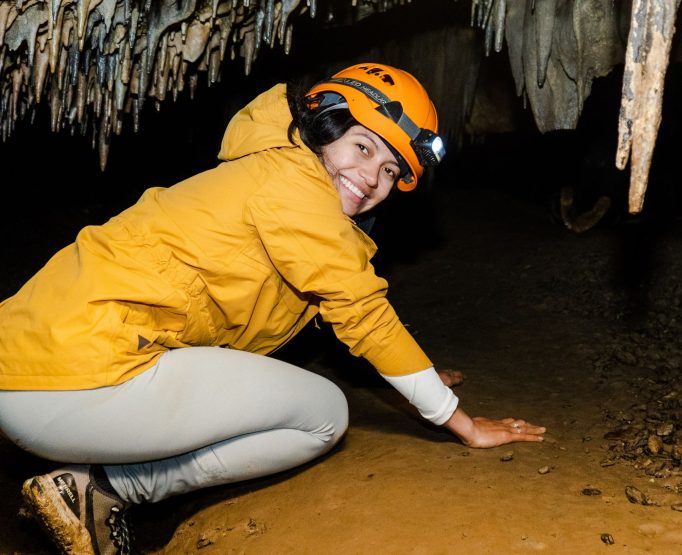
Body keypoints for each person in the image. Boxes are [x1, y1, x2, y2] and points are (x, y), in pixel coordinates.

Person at [0, 62, 546, 555]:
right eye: (362, 146)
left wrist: (405, 376)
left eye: (388, 170)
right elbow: (361, 314)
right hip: (72, 378)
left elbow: (321, 305)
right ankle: (102, 488)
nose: (372, 176)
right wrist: (461, 422)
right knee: (322, 415)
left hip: (38, 367)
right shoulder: (293, 184)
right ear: (325, 129)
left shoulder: (274, 174)